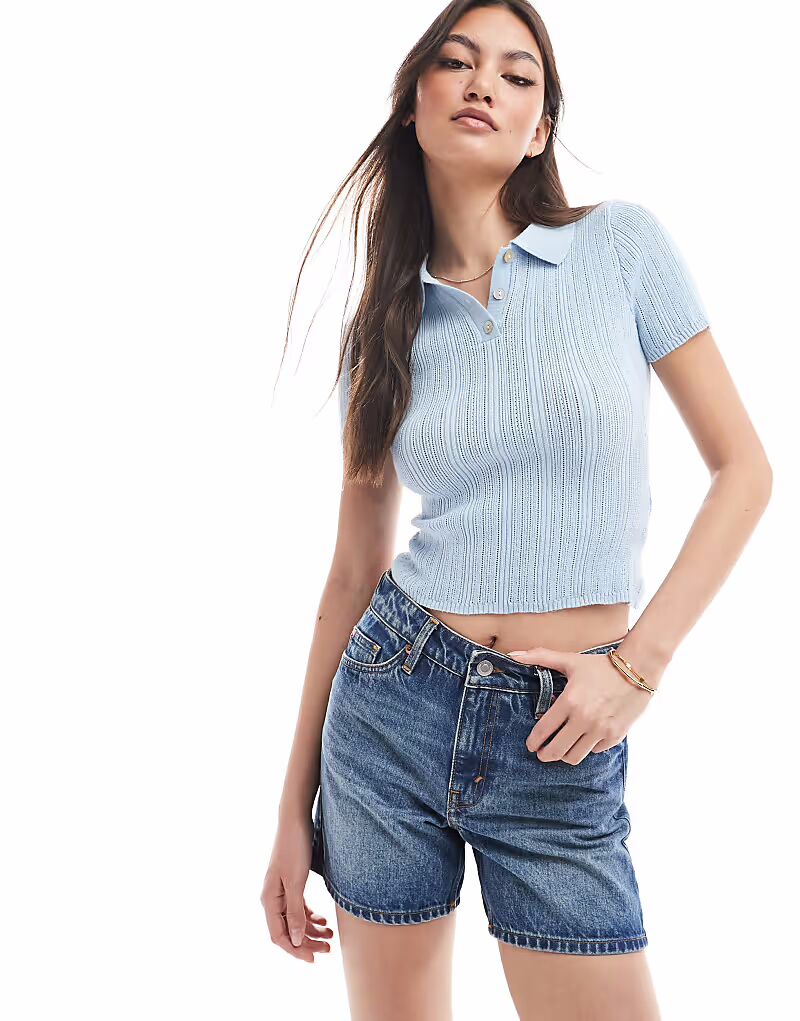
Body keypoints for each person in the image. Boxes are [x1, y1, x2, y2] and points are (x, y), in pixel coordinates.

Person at [261, 2, 773, 1018]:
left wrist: (637, 665)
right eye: (455, 62)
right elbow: (352, 574)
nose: (483, 84)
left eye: (516, 73)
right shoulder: (385, 327)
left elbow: (744, 471)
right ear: (415, 104)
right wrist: (289, 807)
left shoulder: (620, 247)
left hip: (561, 730)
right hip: (390, 706)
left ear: (539, 128)